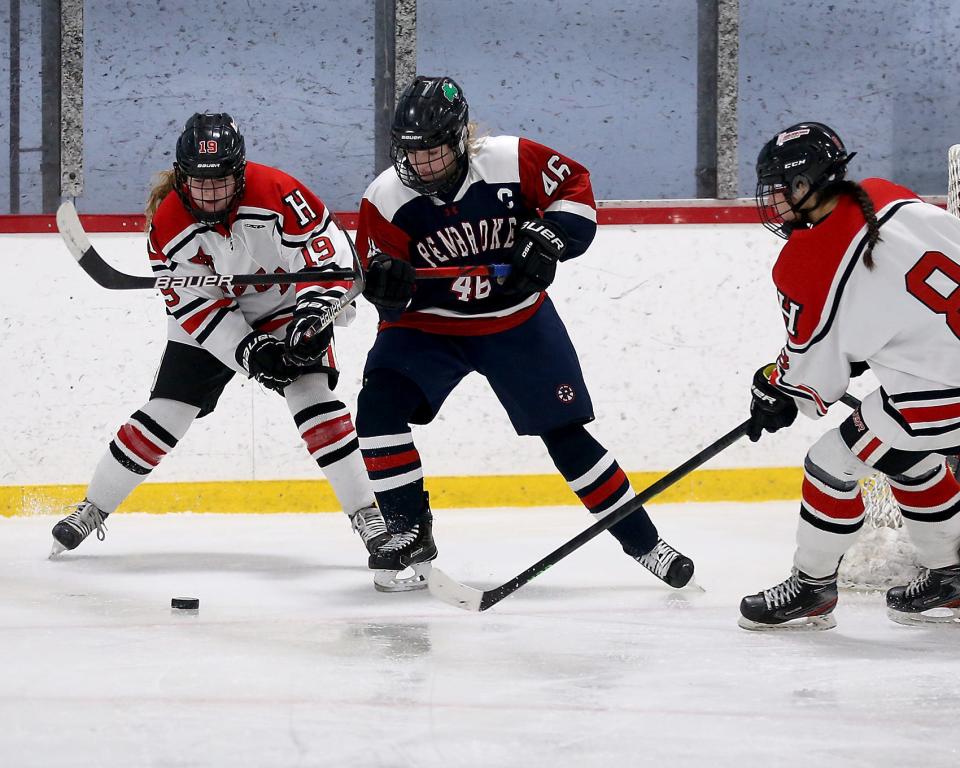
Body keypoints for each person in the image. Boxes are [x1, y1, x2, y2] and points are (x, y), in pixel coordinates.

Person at [352, 75, 695, 592]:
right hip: (430, 327)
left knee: (567, 436)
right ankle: (407, 530)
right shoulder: (385, 197)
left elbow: (575, 191)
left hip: (517, 321)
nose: (420, 164)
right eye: (411, 152)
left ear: (460, 138)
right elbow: (377, 276)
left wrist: (551, 237)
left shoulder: (512, 159)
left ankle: (646, 544)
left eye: (433, 151)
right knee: (378, 407)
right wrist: (386, 282)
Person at [50, 112, 388, 558]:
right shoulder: (169, 225)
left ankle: (368, 515)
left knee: (316, 404)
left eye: (221, 182)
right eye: (199, 183)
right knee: (167, 412)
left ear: (240, 172)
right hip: (217, 315)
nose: (210, 195)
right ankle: (93, 507)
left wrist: (310, 320)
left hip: (291, 308)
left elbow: (332, 265)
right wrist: (248, 350)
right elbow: (196, 304)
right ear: (182, 176)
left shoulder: (281, 194)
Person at [739, 122, 960, 630]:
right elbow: (893, 298)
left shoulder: (805, 261)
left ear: (803, 185)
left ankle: (811, 586)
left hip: (943, 393)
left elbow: (814, 383)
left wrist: (772, 386)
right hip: (942, 376)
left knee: (829, 464)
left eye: (779, 188)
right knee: (897, 450)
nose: (773, 202)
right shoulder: (888, 195)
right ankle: (950, 573)